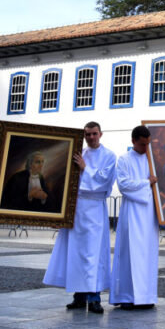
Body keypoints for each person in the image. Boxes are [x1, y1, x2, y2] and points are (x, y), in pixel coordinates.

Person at [43, 121, 116, 313]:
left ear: (100, 134)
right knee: (76, 254)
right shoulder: (78, 153)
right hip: (76, 207)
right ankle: (79, 296)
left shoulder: (109, 156)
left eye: (94, 133)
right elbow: (66, 180)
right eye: (87, 134)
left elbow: (105, 181)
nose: (91, 137)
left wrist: (86, 168)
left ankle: (94, 297)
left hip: (94, 208)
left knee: (93, 254)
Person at [110, 125, 159, 310]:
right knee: (129, 255)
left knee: (148, 254)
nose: (146, 148)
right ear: (133, 141)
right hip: (132, 212)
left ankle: (146, 297)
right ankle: (127, 296)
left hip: (150, 213)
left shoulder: (153, 160)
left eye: (148, 144)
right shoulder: (124, 159)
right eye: (142, 144)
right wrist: (147, 182)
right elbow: (124, 185)